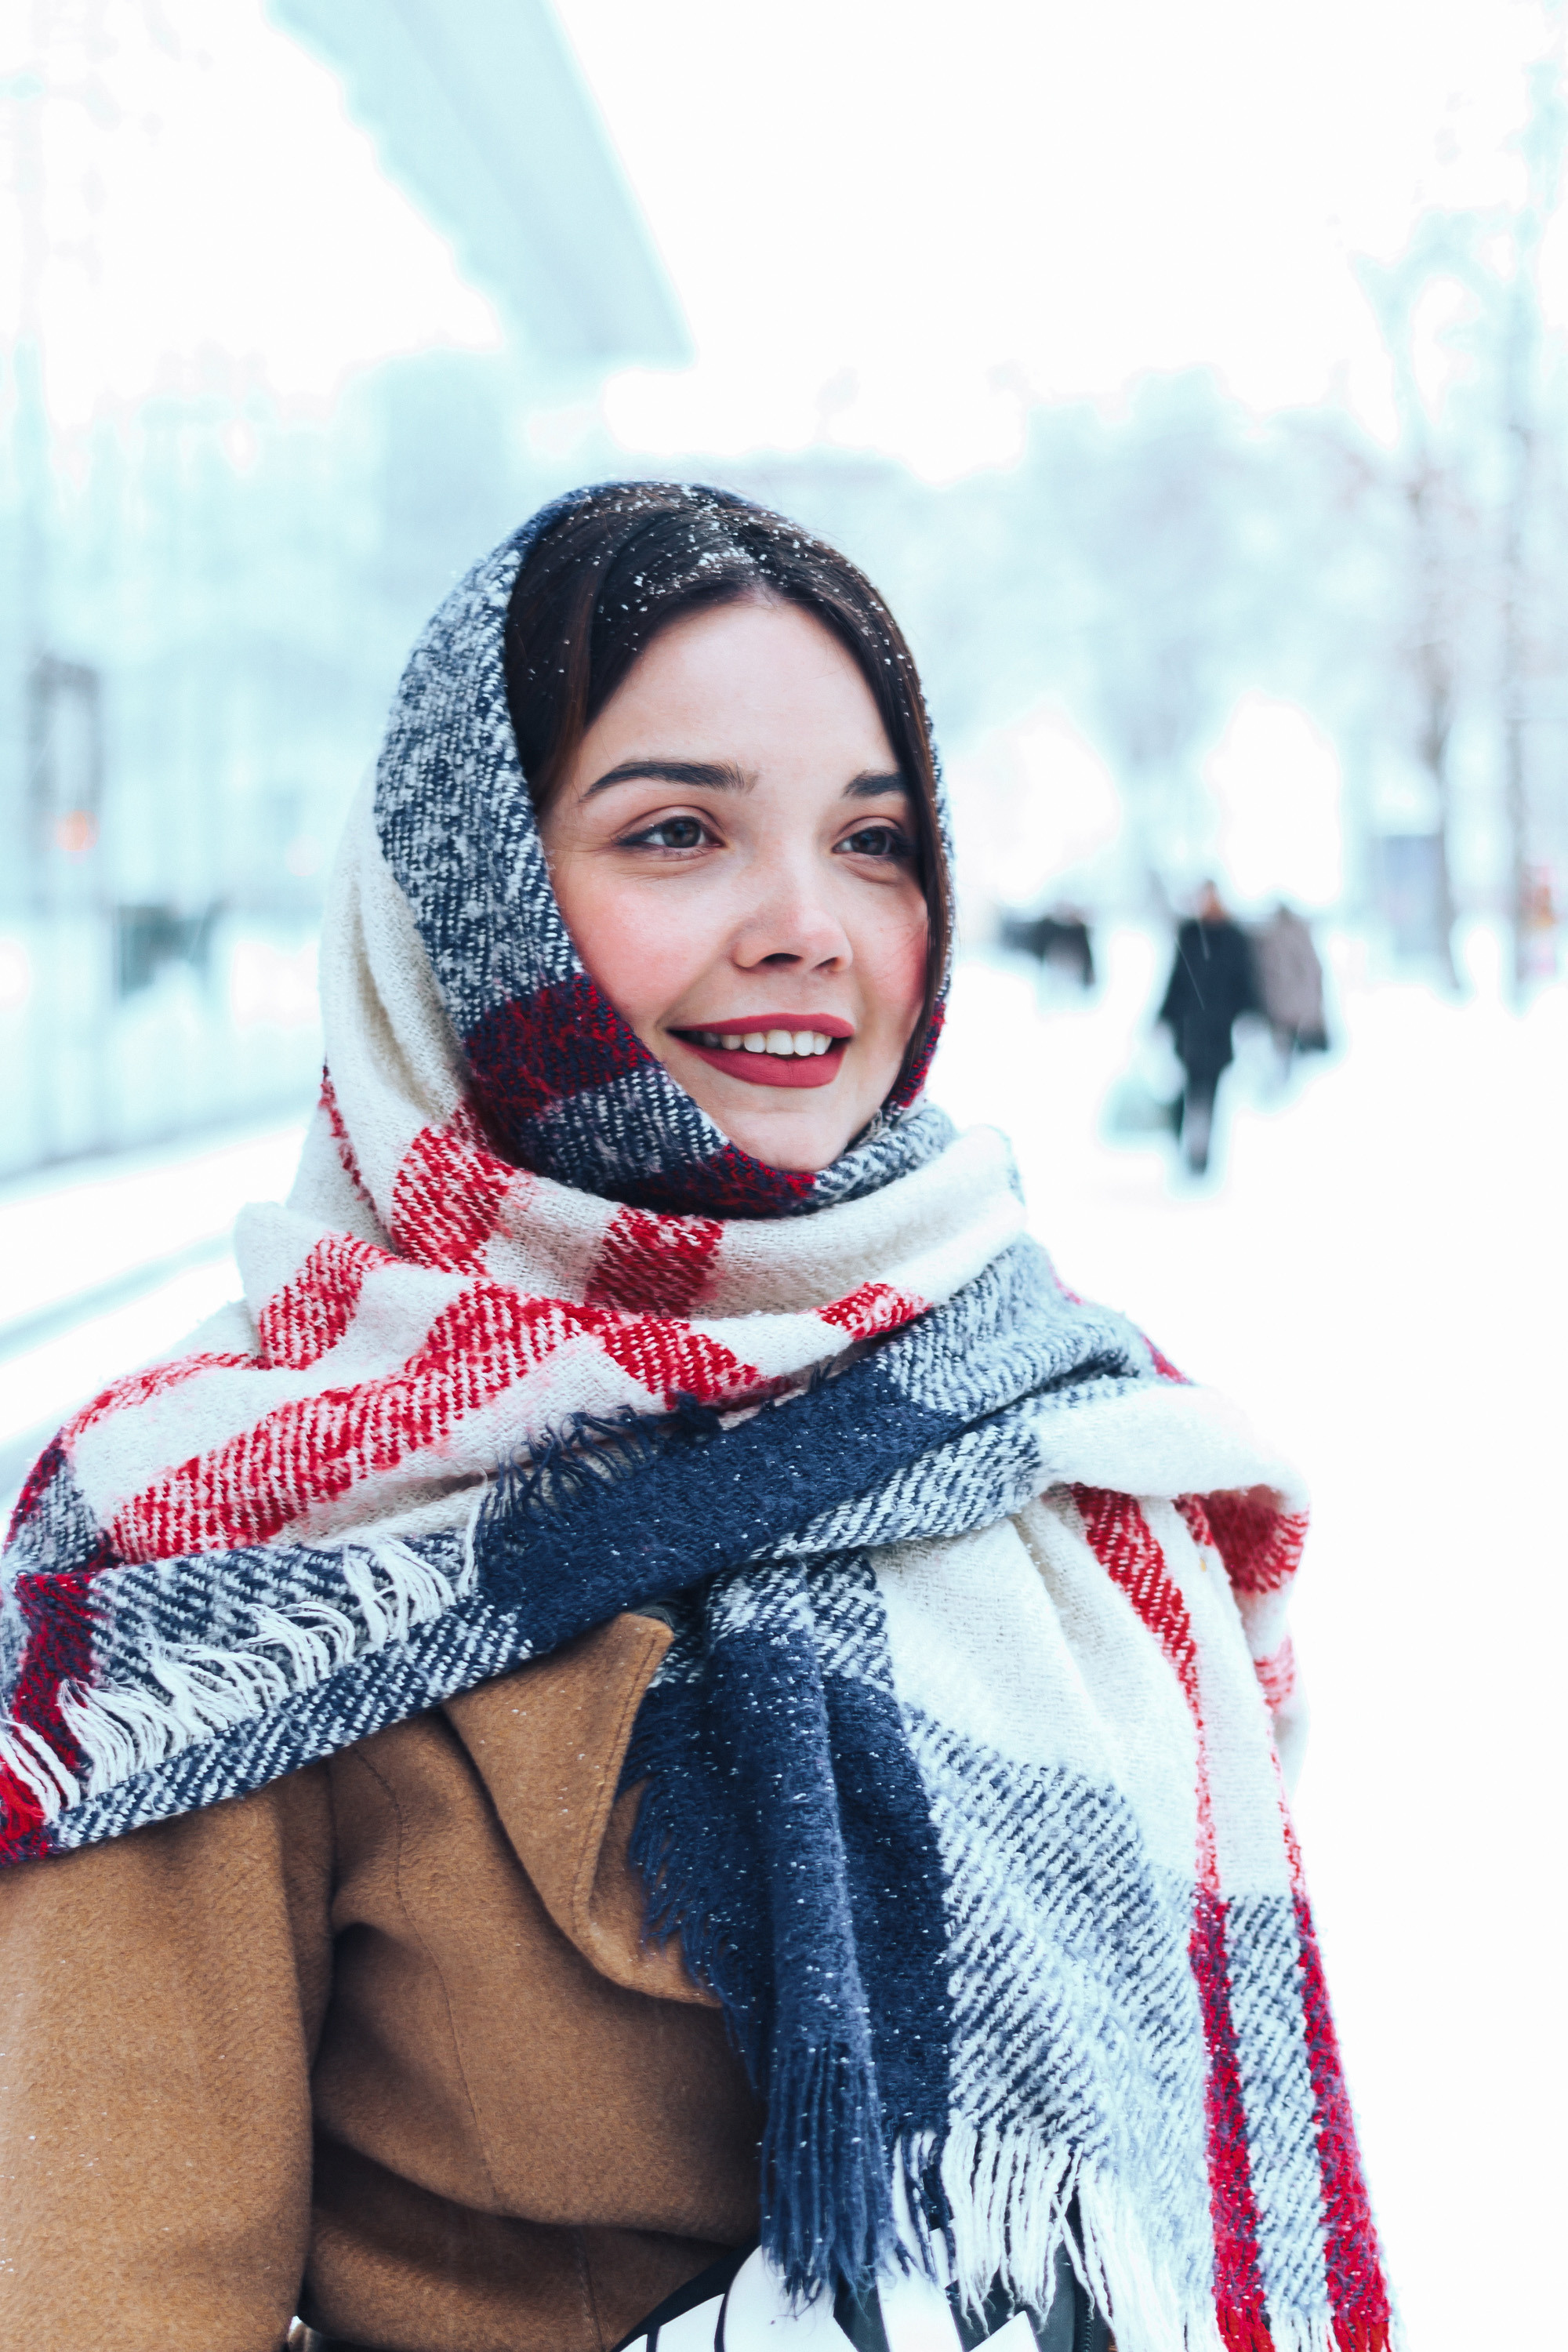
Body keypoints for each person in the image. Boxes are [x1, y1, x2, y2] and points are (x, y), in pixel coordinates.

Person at [0, 486, 1395, 2352]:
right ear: (483, 896)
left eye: (874, 839)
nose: (808, 925)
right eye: (676, 830)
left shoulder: (1074, 1430)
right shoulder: (204, 1562)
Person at [1156, 881, 1260, 1175]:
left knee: (1209, 1096)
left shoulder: (1235, 938)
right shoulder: (1190, 934)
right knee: (1184, 1094)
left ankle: (1202, 1160)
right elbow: (1176, 981)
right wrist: (1162, 1018)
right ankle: (1180, 1148)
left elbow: (1246, 985)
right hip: (1187, 1031)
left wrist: (1249, 1017)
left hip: (1217, 1033)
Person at [1250, 902, 1328, 1074]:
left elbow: (1309, 974)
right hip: (1290, 1011)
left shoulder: (1271, 937)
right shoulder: (1281, 937)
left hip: (1286, 1012)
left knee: (1291, 1060)